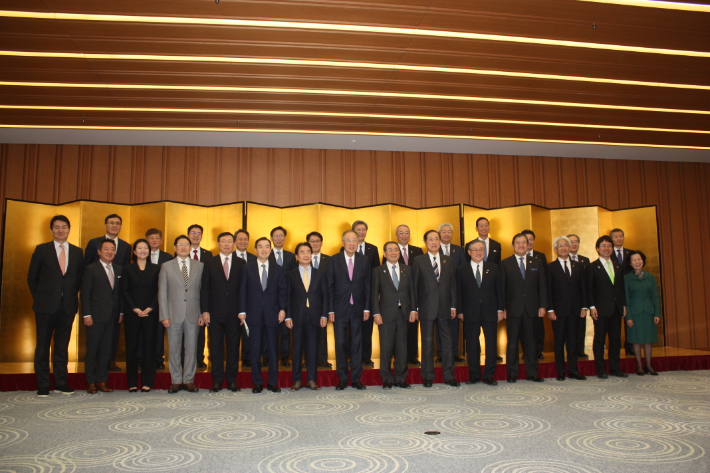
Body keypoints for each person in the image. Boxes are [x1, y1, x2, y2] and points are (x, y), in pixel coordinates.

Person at [27, 215, 83, 397]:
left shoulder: (77, 252)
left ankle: (60, 382)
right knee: (42, 345)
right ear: (51, 230)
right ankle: (43, 383)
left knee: (62, 346)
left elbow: (78, 279)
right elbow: (32, 278)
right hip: (45, 306)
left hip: (67, 306)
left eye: (64, 227)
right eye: (57, 227)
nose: (61, 230)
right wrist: (42, 297)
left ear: (69, 229)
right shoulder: (41, 250)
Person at [240, 237, 288, 393]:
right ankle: (258, 382)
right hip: (253, 314)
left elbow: (282, 291)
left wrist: (282, 309)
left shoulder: (278, 269)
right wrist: (242, 311)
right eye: (260, 247)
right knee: (255, 350)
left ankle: (273, 382)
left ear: (271, 249)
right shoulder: (247, 268)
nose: (264, 249)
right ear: (255, 249)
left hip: (272, 314)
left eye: (267, 247)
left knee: (273, 349)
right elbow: (242, 292)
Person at [84, 214, 131, 373]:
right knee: (94, 343)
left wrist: (121, 309)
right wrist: (86, 312)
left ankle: (109, 361)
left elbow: (125, 276)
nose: (114, 226)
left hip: (114, 304)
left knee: (111, 339)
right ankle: (92, 374)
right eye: (111, 223)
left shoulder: (125, 246)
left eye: (118, 223)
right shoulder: (93, 243)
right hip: (97, 304)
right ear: (105, 225)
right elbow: (86, 269)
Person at [412, 230, 459, 388]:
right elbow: (415, 286)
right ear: (425, 242)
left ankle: (449, 375)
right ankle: (427, 376)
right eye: (430, 239)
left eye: (436, 239)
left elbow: (453, 284)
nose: (434, 242)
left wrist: (453, 305)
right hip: (426, 308)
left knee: (447, 343)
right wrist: (415, 308)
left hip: (445, 307)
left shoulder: (448, 260)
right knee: (427, 343)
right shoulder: (419, 260)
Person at [159, 235, 205, 393]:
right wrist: (164, 315)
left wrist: (201, 314)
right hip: (173, 314)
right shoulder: (166, 266)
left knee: (191, 348)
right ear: (175, 247)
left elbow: (202, 292)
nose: (184, 247)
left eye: (187, 244)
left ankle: (189, 380)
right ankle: (176, 380)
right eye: (180, 244)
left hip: (193, 313)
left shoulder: (199, 266)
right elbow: (162, 292)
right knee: (174, 348)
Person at [200, 232, 246, 393]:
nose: (226, 244)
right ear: (218, 243)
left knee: (234, 348)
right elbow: (205, 288)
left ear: (234, 244)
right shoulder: (209, 262)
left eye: (229, 241)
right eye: (223, 241)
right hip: (214, 313)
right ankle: (217, 381)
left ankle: (232, 381)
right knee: (216, 348)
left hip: (235, 314)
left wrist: (243, 311)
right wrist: (205, 311)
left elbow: (244, 290)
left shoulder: (241, 263)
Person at [500, 233, 547, 383]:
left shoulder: (536, 262)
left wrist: (543, 305)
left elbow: (542, 286)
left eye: (523, 243)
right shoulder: (505, 263)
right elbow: (501, 288)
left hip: (532, 308)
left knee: (530, 342)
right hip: (512, 309)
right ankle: (512, 373)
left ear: (528, 245)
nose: (521, 245)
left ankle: (532, 372)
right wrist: (502, 308)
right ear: (513, 246)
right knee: (512, 342)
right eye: (518, 243)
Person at [328, 230, 371, 390]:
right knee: (340, 343)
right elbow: (330, 286)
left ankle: (357, 379)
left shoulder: (364, 260)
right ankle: (342, 378)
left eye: (355, 240)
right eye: (349, 240)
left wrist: (367, 307)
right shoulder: (334, 260)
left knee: (357, 343)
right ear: (343, 242)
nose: (352, 243)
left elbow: (367, 285)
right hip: (339, 309)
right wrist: (330, 309)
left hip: (358, 308)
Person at [456, 240, 503, 386]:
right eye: (475, 250)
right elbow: (458, 292)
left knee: (491, 344)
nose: (478, 252)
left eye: (481, 250)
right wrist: (460, 311)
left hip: (490, 312)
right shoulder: (461, 269)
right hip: (470, 312)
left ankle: (489, 375)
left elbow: (499, 291)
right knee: (471, 345)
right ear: (469, 252)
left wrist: (500, 310)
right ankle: (474, 374)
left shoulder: (493, 267)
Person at [371, 242, 416, 389]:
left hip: (404, 313)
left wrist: (413, 310)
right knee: (386, 348)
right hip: (385, 315)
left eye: (396, 250)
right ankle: (386, 378)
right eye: (390, 250)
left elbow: (412, 292)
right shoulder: (378, 271)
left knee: (402, 347)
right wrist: (376, 313)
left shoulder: (407, 270)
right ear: (384, 254)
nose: (393, 252)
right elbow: (374, 294)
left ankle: (401, 378)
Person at [81, 239, 123, 393]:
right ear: (99, 251)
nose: (109, 252)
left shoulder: (118, 270)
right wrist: (87, 314)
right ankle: (90, 382)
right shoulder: (91, 269)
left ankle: (101, 380)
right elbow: (85, 294)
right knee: (92, 350)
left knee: (106, 350)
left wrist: (121, 312)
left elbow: (119, 295)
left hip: (112, 317)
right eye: (106, 249)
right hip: (95, 317)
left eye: (112, 249)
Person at [286, 242, 328, 390]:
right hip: (297, 316)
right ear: (297, 256)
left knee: (312, 349)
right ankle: (297, 380)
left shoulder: (319, 273)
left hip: (315, 315)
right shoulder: (290, 274)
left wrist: (324, 315)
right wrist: (288, 316)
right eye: (302, 252)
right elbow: (287, 297)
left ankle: (311, 379)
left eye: (308, 252)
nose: (305, 255)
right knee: (297, 349)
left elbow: (325, 295)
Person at [546, 236, 587, 381]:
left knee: (573, 342)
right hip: (558, 311)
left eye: (566, 245)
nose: (563, 248)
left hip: (575, 310)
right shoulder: (550, 267)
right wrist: (550, 310)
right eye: (560, 246)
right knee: (559, 342)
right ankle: (561, 371)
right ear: (555, 249)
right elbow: (548, 290)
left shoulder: (578, 266)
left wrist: (584, 306)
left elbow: (583, 288)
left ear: (570, 248)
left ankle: (574, 370)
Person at [121, 239, 159, 392]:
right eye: (139, 248)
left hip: (151, 314)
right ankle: (131, 382)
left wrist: (150, 307)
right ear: (134, 252)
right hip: (132, 314)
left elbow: (159, 290)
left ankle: (147, 381)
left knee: (150, 348)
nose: (143, 250)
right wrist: (134, 308)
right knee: (132, 348)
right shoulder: (127, 269)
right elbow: (124, 291)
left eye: (145, 248)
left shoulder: (156, 269)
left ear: (149, 251)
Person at [587, 235, 627, 379]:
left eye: (609, 246)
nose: (606, 248)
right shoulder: (592, 266)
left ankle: (615, 368)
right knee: (600, 340)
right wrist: (592, 307)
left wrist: (623, 305)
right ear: (597, 249)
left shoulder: (618, 266)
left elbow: (621, 288)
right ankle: (601, 369)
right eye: (603, 246)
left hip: (616, 308)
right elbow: (589, 289)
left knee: (615, 340)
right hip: (601, 309)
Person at [625, 251, 661, 376]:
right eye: (634, 260)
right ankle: (639, 365)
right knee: (636, 340)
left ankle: (649, 365)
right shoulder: (626, 278)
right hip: (634, 313)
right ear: (630, 263)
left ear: (643, 261)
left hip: (649, 312)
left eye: (639, 259)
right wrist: (628, 317)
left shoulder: (650, 277)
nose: (637, 262)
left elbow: (655, 296)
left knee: (648, 340)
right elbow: (626, 299)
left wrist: (657, 313)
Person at [392, 224, 423, 367]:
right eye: (401, 233)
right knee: (396, 329)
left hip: (413, 294)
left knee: (412, 328)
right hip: (396, 298)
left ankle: (412, 355)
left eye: (406, 233)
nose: (404, 235)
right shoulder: (391, 250)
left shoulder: (418, 251)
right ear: (396, 235)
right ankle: (397, 356)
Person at [351, 220, 380, 367]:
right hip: (350, 296)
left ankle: (365, 356)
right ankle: (353, 357)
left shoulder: (372, 249)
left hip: (367, 294)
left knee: (367, 327)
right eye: (358, 230)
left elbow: (376, 272)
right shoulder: (345, 248)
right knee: (352, 328)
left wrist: (376, 293)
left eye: (363, 230)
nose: (361, 232)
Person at [185, 224, 212, 370]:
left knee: (200, 330)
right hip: (185, 297)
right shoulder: (181, 252)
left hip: (202, 296)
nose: (196, 235)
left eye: (198, 233)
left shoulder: (208, 255)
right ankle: (185, 359)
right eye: (193, 233)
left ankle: (200, 358)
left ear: (202, 236)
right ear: (188, 235)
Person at [437, 223, 465, 363]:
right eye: (444, 232)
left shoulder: (459, 250)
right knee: (440, 325)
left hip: (455, 292)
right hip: (438, 294)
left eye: (449, 231)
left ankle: (454, 353)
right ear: (439, 234)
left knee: (454, 325)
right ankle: (442, 354)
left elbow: (464, 270)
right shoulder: (434, 249)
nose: (446, 234)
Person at [476, 217, 504, 361]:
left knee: (492, 333)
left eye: (486, 225)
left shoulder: (496, 245)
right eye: (481, 225)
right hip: (475, 296)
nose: (484, 227)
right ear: (476, 228)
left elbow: (498, 269)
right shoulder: (471, 245)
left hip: (491, 294)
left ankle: (493, 355)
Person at [145, 228, 173, 370]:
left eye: (157, 238)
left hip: (164, 298)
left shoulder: (168, 257)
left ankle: (158, 357)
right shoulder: (141, 255)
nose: (154, 240)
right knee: (144, 330)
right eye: (151, 238)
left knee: (159, 330)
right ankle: (142, 358)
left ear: (161, 241)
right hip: (145, 298)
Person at [269, 226, 296, 368]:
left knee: (285, 331)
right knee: (269, 329)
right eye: (276, 236)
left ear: (285, 238)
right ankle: (267, 357)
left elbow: (293, 276)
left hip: (286, 297)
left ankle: (285, 357)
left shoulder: (291, 256)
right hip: (270, 298)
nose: (279, 238)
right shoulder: (266, 254)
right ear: (271, 238)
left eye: (281, 236)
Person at [307, 231, 333, 368]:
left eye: (317, 241)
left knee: (322, 331)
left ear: (322, 243)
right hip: (306, 302)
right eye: (312, 241)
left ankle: (322, 359)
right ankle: (307, 360)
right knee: (307, 331)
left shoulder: (329, 260)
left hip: (324, 301)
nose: (315, 243)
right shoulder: (303, 259)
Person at [522, 229, 547, 360]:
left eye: (531, 239)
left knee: (538, 327)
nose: (528, 242)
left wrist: (543, 303)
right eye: (526, 239)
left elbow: (544, 280)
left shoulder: (540, 256)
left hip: (536, 300)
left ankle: (538, 350)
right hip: (521, 302)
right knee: (524, 329)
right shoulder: (515, 257)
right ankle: (526, 351)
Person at [610, 228, 634, 355]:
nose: (619, 239)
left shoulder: (631, 253)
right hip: (614, 292)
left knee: (629, 319)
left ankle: (629, 345)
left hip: (629, 291)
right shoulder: (607, 254)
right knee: (615, 322)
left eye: (621, 236)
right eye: (616, 236)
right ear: (611, 239)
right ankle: (616, 347)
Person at [234, 229, 256, 368]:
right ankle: (234, 359)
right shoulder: (228, 258)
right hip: (232, 302)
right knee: (234, 334)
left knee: (249, 333)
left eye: (245, 239)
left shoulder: (254, 258)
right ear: (235, 241)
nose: (243, 241)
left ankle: (247, 357)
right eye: (240, 239)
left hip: (250, 302)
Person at [567, 233, 591, 359]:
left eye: (576, 241)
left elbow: (586, 283)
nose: (574, 244)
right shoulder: (563, 260)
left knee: (581, 327)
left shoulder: (584, 260)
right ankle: (571, 351)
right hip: (567, 301)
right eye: (571, 242)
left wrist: (586, 303)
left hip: (580, 300)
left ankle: (580, 350)